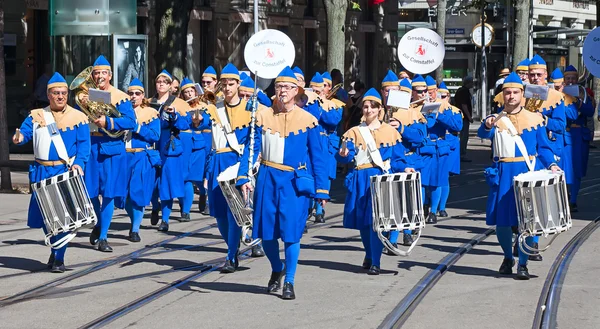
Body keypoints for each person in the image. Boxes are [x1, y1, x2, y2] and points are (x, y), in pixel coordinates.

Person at [237, 66, 329, 299]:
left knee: (291, 233)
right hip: (267, 177)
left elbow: (318, 157)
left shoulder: (309, 120)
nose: (282, 91)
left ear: (296, 90)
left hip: (293, 182)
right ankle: (277, 268)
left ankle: (289, 280)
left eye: (287, 87)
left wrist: (321, 190)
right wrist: (244, 176)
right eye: (278, 87)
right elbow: (250, 149)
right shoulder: (262, 116)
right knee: (266, 234)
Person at [478, 72, 560, 280]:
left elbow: (543, 147)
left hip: (527, 174)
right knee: (503, 223)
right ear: (502, 95)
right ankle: (508, 257)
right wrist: (487, 124)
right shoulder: (496, 119)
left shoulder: (535, 118)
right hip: (503, 174)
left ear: (522, 94)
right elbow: (482, 133)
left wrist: (551, 164)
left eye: (515, 92)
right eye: (507, 92)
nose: (511, 96)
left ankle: (523, 263)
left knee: (528, 221)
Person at [13, 72, 90, 273]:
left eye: (63, 93)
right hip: (41, 171)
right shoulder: (37, 115)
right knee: (47, 217)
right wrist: (19, 137)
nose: (60, 97)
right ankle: (56, 249)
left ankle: (59, 258)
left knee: (63, 218)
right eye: (56, 93)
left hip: (64, 171)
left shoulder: (79, 117)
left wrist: (79, 163)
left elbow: (84, 145)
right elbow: (25, 133)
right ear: (49, 95)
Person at [336, 88, 414, 275]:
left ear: (380, 109)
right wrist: (343, 155)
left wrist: (405, 168)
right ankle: (370, 254)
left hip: (380, 179)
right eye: (365, 106)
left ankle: (376, 262)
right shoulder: (354, 131)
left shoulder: (390, 131)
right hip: (361, 179)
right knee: (364, 222)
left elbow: (397, 159)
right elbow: (345, 157)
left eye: (373, 107)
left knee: (376, 222)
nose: (368, 110)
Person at [83, 55, 137, 252]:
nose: (99, 76)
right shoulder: (88, 94)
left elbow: (132, 122)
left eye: (103, 73)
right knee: (89, 193)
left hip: (113, 146)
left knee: (108, 194)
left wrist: (109, 122)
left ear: (110, 75)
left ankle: (104, 236)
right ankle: (98, 223)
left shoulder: (120, 96)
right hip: (92, 144)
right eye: (96, 73)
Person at [205, 63, 253, 273]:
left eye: (230, 84)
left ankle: (231, 256)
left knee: (234, 211)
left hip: (235, 163)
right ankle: (231, 248)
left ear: (238, 84)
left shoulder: (250, 109)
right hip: (216, 163)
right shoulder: (214, 108)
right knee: (219, 214)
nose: (226, 87)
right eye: (223, 84)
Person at [386, 77, 427, 249]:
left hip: (408, 159)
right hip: (388, 160)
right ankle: (392, 237)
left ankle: (408, 232)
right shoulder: (379, 111)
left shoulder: (414, 113)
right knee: (393, 199)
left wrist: (402, 128)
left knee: (409, 199)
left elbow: (420, 137)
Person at [150, 69, 191, 232]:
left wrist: (175, 117)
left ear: (170, 85)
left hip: (169, 145)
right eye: (159, 82)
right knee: (152, 183)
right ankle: (155, 206)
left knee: (166, 184)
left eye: (165, 82)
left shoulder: (179, 103)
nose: (161, 85)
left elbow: (186, 124)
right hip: (152, 144)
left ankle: (165, 220)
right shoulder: (148, 101)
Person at [121, 78, 160, 242]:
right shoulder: (121, 110)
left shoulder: (151, 112)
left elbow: (155, 135)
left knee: (138, 191)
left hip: (142, 156)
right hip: (124, 156)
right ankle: (133, 220)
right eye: (130, 93)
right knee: (124, 195)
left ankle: (135, 229)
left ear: (143, 95)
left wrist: (137, 127)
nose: (133, 96)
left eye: (137, 94)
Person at [560, 65, 594, 212]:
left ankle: (573, 200)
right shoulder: (559, 92)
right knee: (563, 169)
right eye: (568, 78)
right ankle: (565, 197)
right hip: (564, 135)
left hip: (579, 136)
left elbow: (590, 111)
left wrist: (578, 102)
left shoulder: (584, 93)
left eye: (573, 78)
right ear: (564, 80)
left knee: (577, 169)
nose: (570, 81)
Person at [178, 77, 211, 222]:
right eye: (186, 92)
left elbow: (208, 123)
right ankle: (185, 211)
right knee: (186, 178)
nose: (189, 94)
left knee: (195, 177)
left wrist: (201, 119)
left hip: (199, 145)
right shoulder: (180, 106)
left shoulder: (204, 106)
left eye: (191, 91)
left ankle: (203, 193)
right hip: (184, 146)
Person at [314, 72, 343, 223]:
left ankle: (320, 209)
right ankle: (310, 207)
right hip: (314, 140)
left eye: (325, 86)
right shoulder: (309, 101)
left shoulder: (336, 104)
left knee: (326, 175)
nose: (322, 88)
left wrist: (320, 107)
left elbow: (333, 120)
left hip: (328, 143)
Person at [436, 81, 463, 217]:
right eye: (439, 95)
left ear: (449, 97)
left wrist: (441, 116)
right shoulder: (431, 108)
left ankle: (442, 207)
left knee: (444, 177)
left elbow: (458, 126)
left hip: (449, 147)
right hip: (436, 146)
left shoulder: (455, 111)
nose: (442, 98)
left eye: (444, 96)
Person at [198, 66, 219, 214]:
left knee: (211, 169)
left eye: (208, 82)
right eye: (203, 83)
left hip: (216, 135)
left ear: (215, 82)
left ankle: (208, 200)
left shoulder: (221, 97)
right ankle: (202, 193)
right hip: (202, 136)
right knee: (202, 168)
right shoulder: (200, 98)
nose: (205, 85)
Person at [453, 76, 474, 162]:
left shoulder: (460, 90)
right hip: (463, 117)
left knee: (461, 135)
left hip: (460, 116)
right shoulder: (464, 91)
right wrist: (469, 117)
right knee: (464, 136)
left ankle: (460, 153)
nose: (473, 84)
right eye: (471, 82)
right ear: (468, 83)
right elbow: (464, 105)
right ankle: (462, 154)